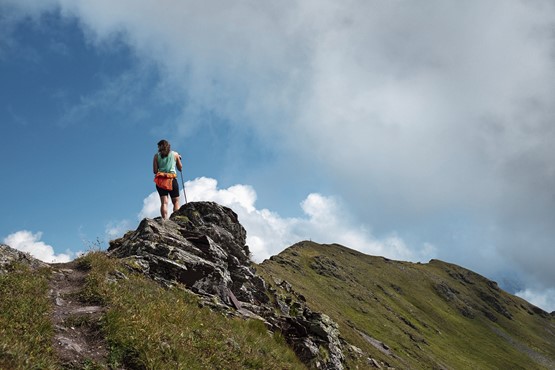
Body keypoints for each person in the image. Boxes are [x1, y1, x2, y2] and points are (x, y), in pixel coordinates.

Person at [153, 139, 183, 219]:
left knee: (164, 203)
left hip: (160, 181)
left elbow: (155, 171)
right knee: (176, 201)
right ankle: (177, 219)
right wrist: (179, 159)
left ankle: (165, 221)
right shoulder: (175, 154)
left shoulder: (156, 156)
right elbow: (180, 168)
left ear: (159, 147)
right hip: (171, 180)